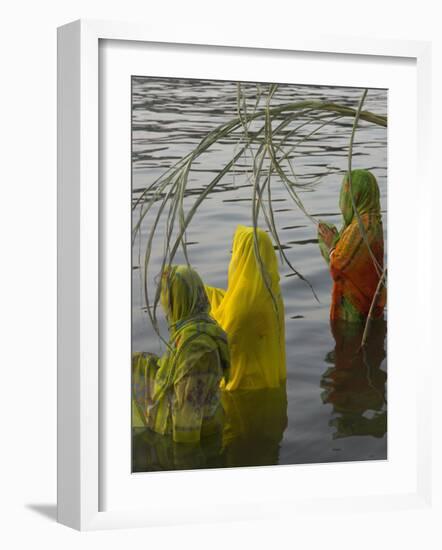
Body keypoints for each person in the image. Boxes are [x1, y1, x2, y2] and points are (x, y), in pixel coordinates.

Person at [132, 265, 230, 444]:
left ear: (179, 301)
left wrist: (179, 465)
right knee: (136, 362)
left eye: (167, 301)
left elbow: (186, 423)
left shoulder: (197, 350)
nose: (164, 308)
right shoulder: (193, 330)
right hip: (202, 420)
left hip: (196, 435)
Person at [205, 225, 286, 391]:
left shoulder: (244, 307)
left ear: (242, 256)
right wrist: (205, 291)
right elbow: (232, 303)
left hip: (244, 390)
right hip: (270, 382)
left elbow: (222, 338)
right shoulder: (271, 291)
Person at [318, 169, 386, 322]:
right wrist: (337, 241)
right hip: (371, 306)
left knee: (349, 344)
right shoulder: (374, 221)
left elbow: (338, 266)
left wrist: (330, 245)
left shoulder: (361, 227)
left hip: (354, 313)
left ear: (355, 195)